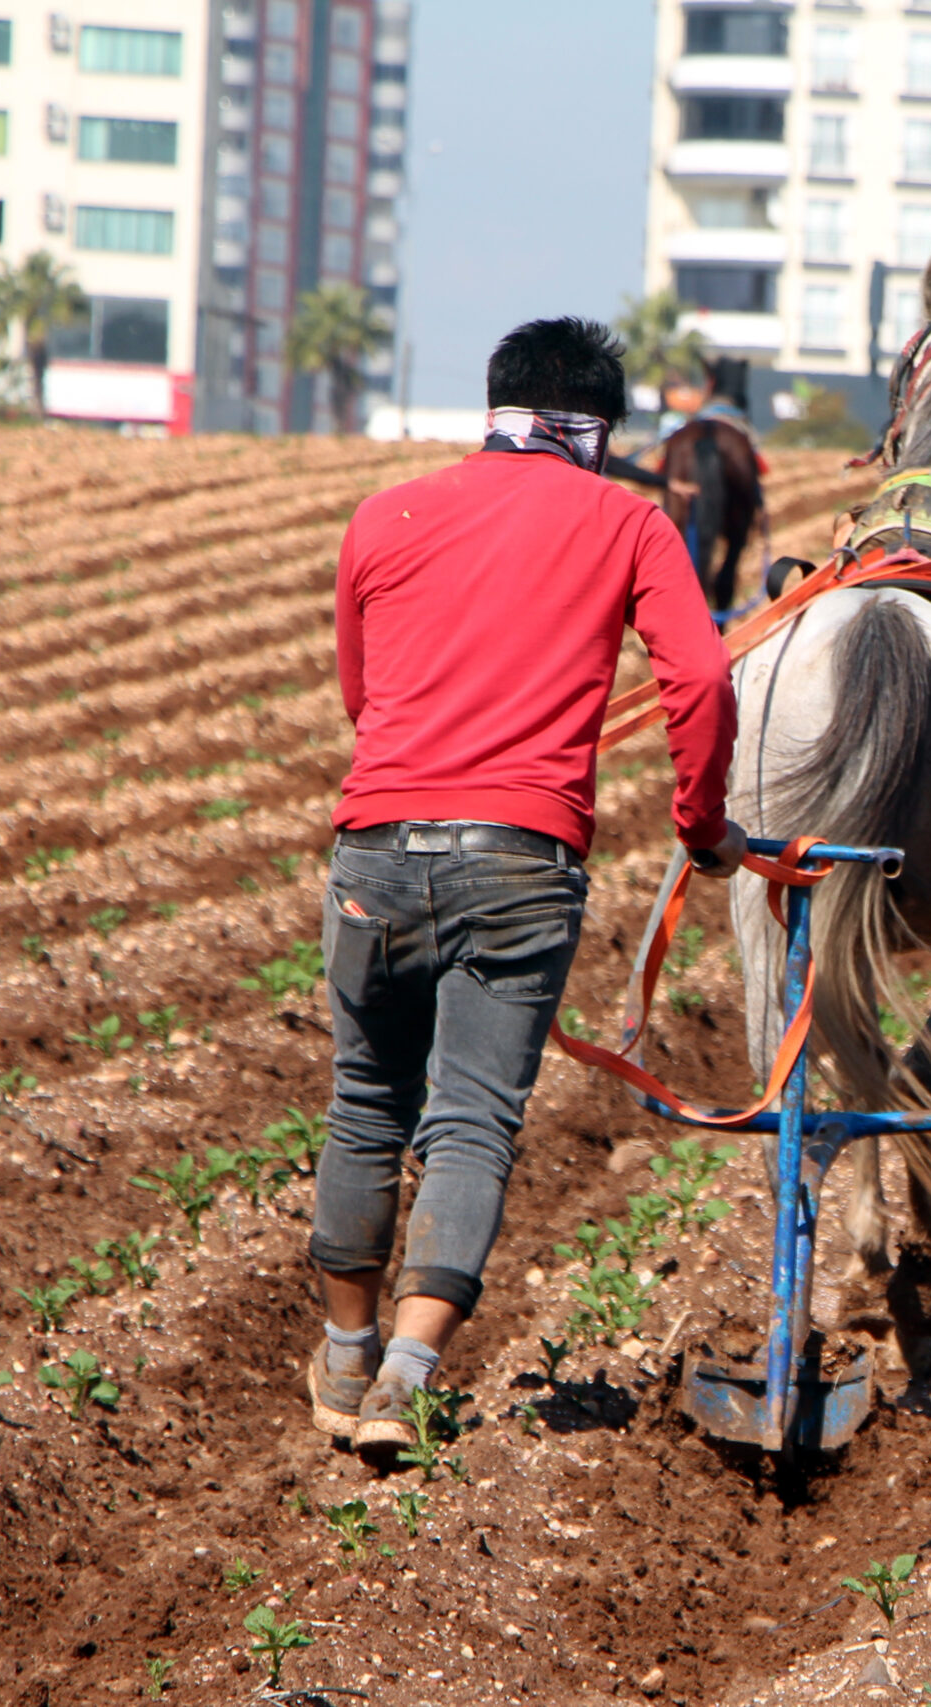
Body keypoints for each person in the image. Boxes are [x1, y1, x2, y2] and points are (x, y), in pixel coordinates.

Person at [305, 316, 748, 1460]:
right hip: (520, 859)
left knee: (365, 1101)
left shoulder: (384, 515)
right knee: (472, 1120)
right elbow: (697, 675)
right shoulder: (629, 522)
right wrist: (703, 831)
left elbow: (363, 695)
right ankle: (407, 1373)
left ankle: (344, 1357)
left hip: (375, 848)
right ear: (597, 431)